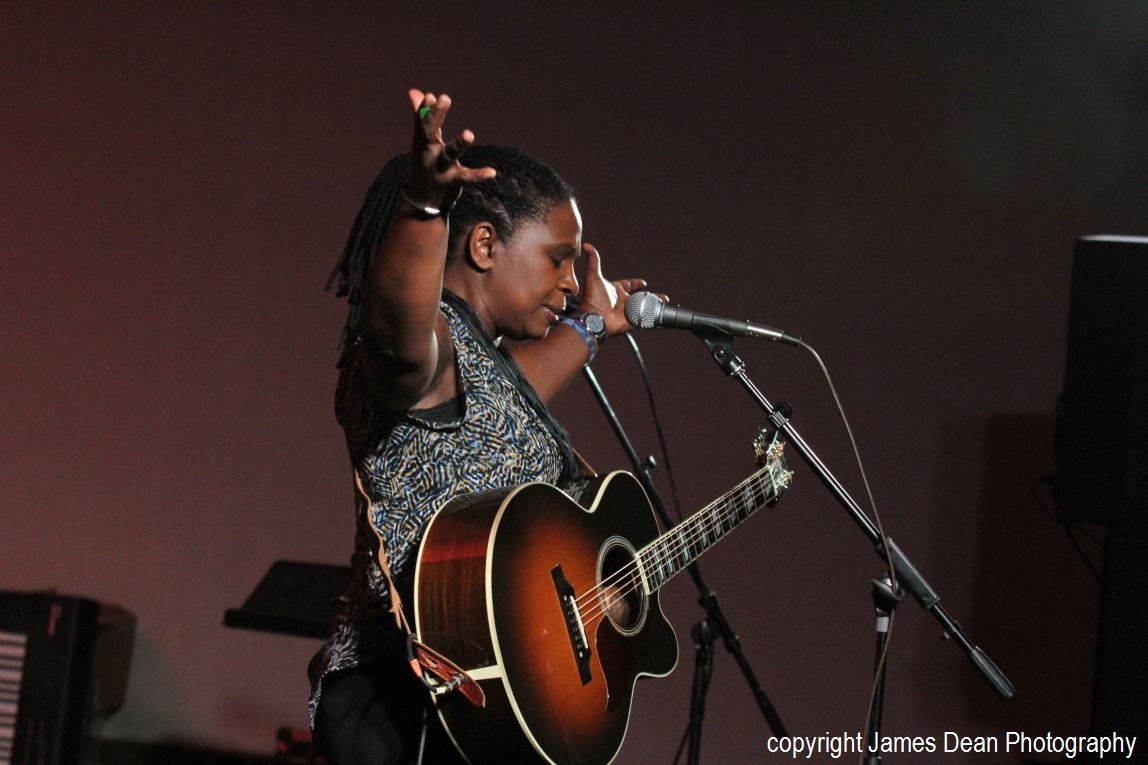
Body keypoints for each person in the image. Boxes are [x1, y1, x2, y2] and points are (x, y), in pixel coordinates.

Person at [308, 88, 651, 765]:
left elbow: (513, 390)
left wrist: (590, 323)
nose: (569, 281)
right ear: (486, 245)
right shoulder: (428, 352)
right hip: (405, 707)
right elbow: (397, 334)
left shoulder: (483, 367)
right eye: (558, 258)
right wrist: (424, 206)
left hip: (483, 711)